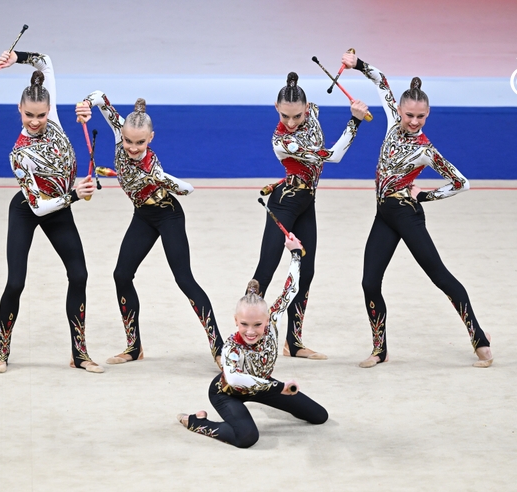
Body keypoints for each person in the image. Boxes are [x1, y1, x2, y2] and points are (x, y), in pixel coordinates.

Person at [340, 51, 494, 368]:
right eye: (409, 114)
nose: (413, 121)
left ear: (428, 114)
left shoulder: (425, 150)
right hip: (384, 216)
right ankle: (379, 349)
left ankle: (480, 339)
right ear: (398, 110)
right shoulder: (391, 122)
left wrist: (424, 197)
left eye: (420, 117)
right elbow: (381, 81)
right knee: (369, 282)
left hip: (407, 215)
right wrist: (358, 65)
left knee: (440, 277)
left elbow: (461, 183)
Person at [75, 93, 223, 367]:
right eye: (128, 141)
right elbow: (100, 99)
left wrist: (163, 179)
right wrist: (85, 104)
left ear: (151, 138)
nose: (132, 148)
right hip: (143, 215)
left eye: (140, 142)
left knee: (184, 279)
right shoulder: (121, 132)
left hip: (168, 215)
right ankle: (134, 347)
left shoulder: (151, 165)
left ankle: (219, 349)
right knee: (121, 275)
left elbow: (187, 189)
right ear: (122, 133)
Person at [0, 49, 103, 374]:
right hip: (29, 209)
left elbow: (45, 62)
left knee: (79, 275)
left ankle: (79, 353)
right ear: (19, 109)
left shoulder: (53, 121)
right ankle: (1, 351)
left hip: (61, 207)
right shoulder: (19, 154)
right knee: (15, 282)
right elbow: (38, 207)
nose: (36, 121)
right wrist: (75, 195)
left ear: (49, 110)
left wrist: (17, 57)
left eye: (41, 114)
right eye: (29, 115)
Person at [250, 72, 369, 360]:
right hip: (285, 203)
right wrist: (354, 121)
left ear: (307, 107)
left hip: (306, 203)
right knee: (265, 270)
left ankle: (293, 342)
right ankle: (246, 341)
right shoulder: (282, 140)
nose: (291, 123)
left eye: (297, 115)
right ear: (276, 108)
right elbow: (333, 156)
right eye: (285, 116)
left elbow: (315, 113)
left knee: (307, 272)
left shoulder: (312, 111)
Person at [177, 233, 328, 448]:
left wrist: (295, 253)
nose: (250, 332)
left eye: (257, 324)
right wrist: (278, 387)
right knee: (247, 437)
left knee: (319, 416)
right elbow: (235, 380)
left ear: (267, 319)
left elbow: (291, 289)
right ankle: (196, 421)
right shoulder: (231, 346)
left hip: (264, 386)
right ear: (236, 321)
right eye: (244, 324)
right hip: (227, 393)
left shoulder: (273, 321)